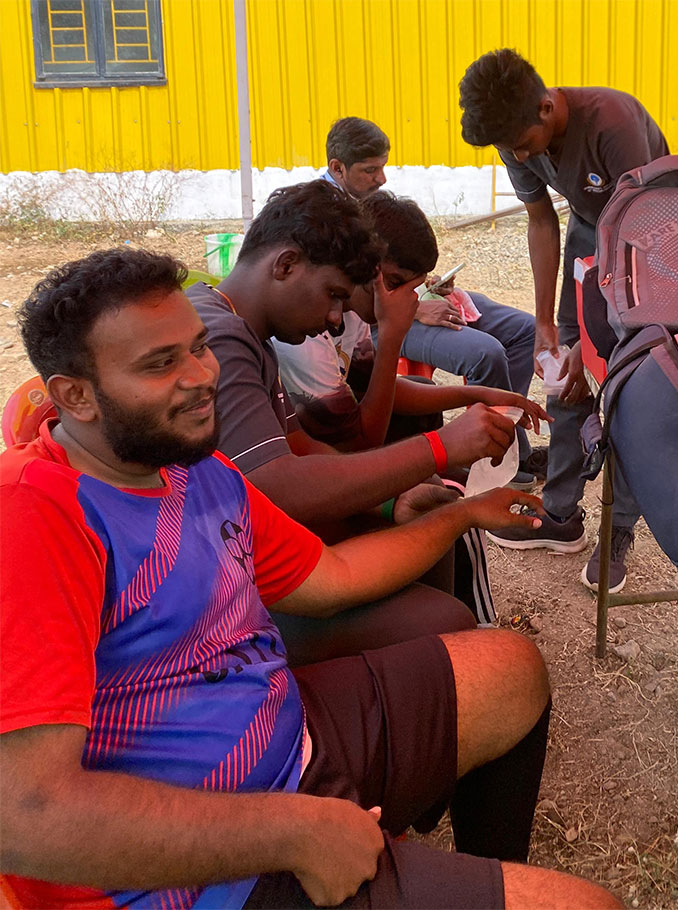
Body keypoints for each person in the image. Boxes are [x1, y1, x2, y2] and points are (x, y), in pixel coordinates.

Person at [0, 247, 620, 910]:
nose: (202, 376)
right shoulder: (35, 515)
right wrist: (294, 832)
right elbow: (26, 815)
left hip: (285, 737)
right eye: (160, 364)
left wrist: (460, 514)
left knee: (512, 667)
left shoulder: (193, 471)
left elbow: (332, 574)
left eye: (199, 347)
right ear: (75, 395)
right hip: (190, 872)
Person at [187, 181, 540, 631]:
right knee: (444, 614)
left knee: (431, 519)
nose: (336, 317)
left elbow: (300, 446)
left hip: (248, 544)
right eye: (334, 294)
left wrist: (392, 502)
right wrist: (438, 447)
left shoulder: (250, 332)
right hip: (224, 588)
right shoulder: (220, 338)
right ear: (286, 265)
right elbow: (276, 485)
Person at [459, 49, 669, 594]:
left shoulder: (613, 125)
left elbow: (640, 237)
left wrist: (594, 340)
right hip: (590, 235)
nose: (517, 156)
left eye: (521, 144)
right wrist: (547, 325)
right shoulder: (515, 134)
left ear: (546, 107)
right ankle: (561, 513)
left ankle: (618, 529)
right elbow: (540, 220)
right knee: (565, 376)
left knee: (628, 389)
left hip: (650, 252)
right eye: (508, 149)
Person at [324, 116, 545, 487]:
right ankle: (494, 463)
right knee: (485, 354)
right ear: (337, 168)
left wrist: (424, 287)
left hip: (397, 309)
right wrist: (407, 316)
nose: (381, 179)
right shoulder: (323, 219)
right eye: (370, 170)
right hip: (388, 318)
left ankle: (507, 446)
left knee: (525, 330)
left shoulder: (372, 214)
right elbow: (359, 440)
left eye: (383, 167)